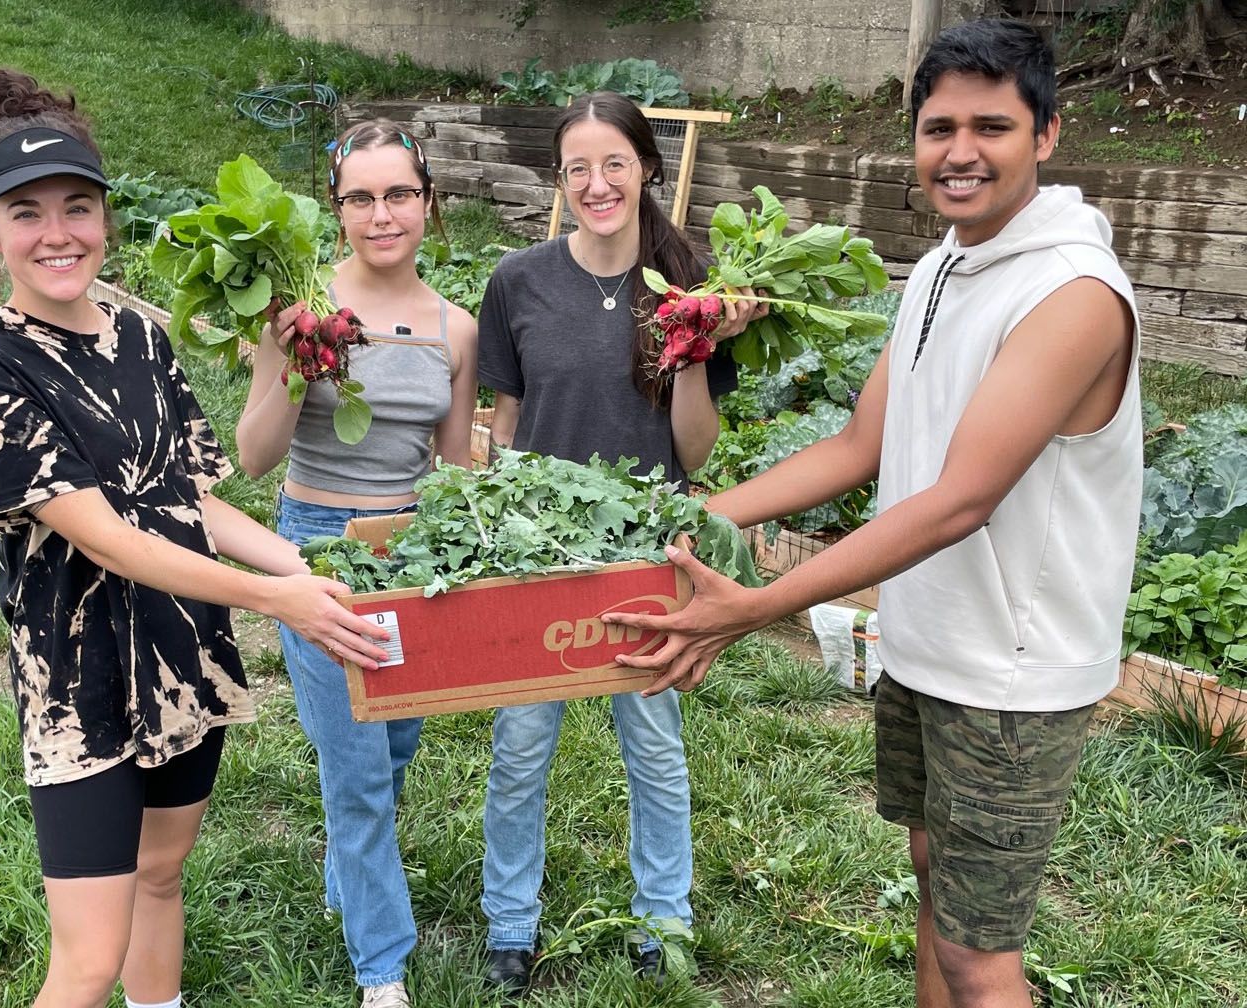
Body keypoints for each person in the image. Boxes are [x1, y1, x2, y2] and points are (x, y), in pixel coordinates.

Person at [606, 20, 1141, 1008]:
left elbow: (959, 501)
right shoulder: (945, 263)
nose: (961, 151)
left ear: (1048, 134)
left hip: (1012, 671)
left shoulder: (1071, 294)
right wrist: (674, 517)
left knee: (985, 960)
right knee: (934, 884)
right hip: (930, 640)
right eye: (939, 128)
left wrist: (754, 604)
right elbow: (862, 447)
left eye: (994, 126)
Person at [0, 68, 388, 1008]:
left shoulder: (141, 335)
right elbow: (107, 537)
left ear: (106, 216)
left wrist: (307, 566)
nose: (57, 233)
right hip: (80, 678)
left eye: (77, 206)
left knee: (161, 876)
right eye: (25, 212)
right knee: (87, 960)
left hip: (183, 649)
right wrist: (278, 600)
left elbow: (191, 500)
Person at [474, 91, 768, 995]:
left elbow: (693, 451)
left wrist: (688, 348)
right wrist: (493, 525)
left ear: (645, 167)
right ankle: (511, 927)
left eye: (614, 163)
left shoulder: (690, 291)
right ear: (560, 181)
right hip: (542, 546)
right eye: (577, 168)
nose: (596, 183)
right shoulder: (518, 281)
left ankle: (663, 922)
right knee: (522, 745)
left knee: (653, 741)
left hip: (649, 545)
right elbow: (507, 423)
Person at [233, 118, 479, 1008]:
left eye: (400, 194)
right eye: (361, 198)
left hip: (411, 554)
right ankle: (384, 970)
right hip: (317, 547)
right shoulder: (296, 306)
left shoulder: (459, 327)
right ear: (336, 210)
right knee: (361, 771)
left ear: (428, 202)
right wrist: (295, 363)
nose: (383, 214)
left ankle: (346, 870)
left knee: (397, 746)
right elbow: (254, 456)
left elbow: (456, 467)